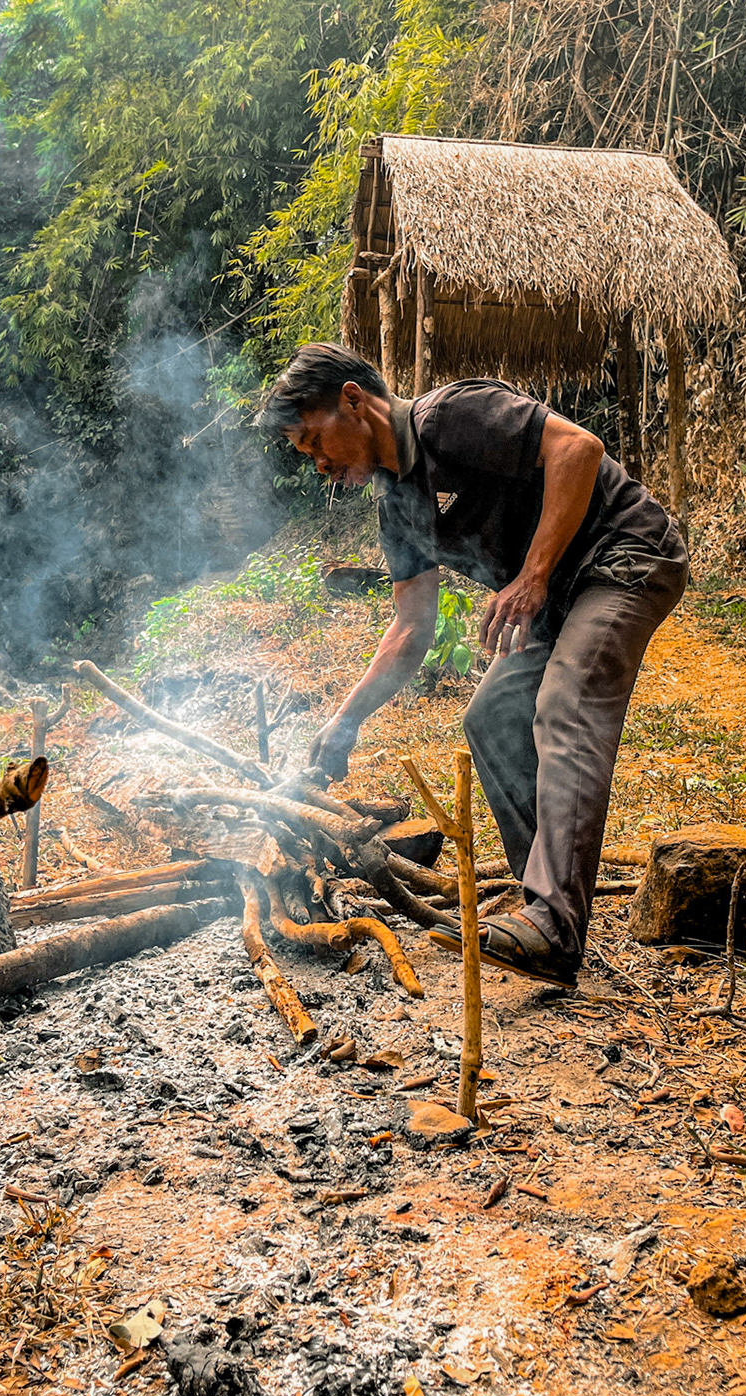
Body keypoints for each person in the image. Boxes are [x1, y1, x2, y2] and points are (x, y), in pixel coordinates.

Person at [258, 342, 688, 989]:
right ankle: (543, 902)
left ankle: (554, 923)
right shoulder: (396, 504)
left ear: (353, 401)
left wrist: (532, 576)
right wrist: (345, 721)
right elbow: (411, 627)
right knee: (490, 718)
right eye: (306, 454)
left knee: (565, 705)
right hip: (557, 596)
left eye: (315, 441)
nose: (318, 464)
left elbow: (578, 450)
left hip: (624, 555)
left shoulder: (450, 417)